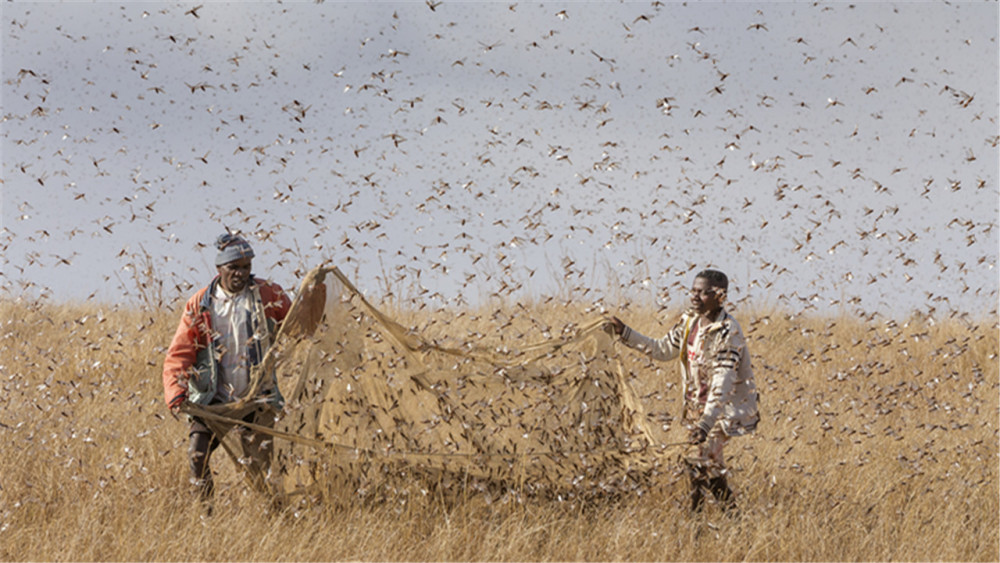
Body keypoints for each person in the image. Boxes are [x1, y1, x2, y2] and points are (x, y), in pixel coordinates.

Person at [605, 269, 759, 512]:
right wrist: (625, 333)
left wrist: (706, 424)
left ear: (720, 296)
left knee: (701, 463)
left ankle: (699, 520)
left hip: (722, 410)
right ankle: (729, 519)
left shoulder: (728, 332)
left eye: (703, 293)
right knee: (707, 465)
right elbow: (662, 349)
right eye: (694, 291)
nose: (695, 297)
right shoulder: (690, 321)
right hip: (697, 409)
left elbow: (723, 383)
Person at [162, 233, 292, 507]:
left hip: (255, 397)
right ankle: (204, 516)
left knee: (261, 470)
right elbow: (180, 353)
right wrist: (176, 392)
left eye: (246, 267)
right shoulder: (200, 304)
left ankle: (277, 520)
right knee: (197, 455)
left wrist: (317, 291)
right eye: (234, 267)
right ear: (220, 268)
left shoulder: (268, 293)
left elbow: (296, 321)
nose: (241, 273)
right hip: (213, 400)